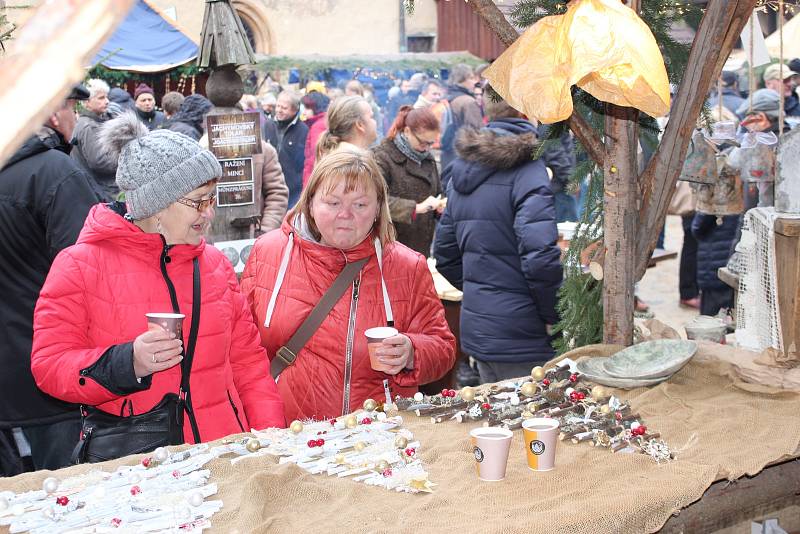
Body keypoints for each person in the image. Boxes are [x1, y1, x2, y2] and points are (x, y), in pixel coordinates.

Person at [30, 112, 285, 461]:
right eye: (199, 201)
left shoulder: (214, 265)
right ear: (157, 204)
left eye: (213, 199)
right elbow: (48, 365)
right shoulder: (79, 265)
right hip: (142, 466)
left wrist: (270, 439)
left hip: (229, 456)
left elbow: (249, 366)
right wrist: (127, 362)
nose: (209, 213)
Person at [240, 150, 456, 421]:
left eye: (360, 205)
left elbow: (443, 348)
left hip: (377, 434)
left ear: (378, 208)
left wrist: (412, 351)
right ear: (310, 202)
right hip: (287, 432)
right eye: (332, 203)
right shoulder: (268, 253)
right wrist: (264, 421)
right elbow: (241, 350)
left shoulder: (407, 266)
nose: (345, 215)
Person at [0, 84, 101, 474]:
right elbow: (90, 269)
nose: (76, 117)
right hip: (51, 373)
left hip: (19, 365)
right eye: (74, 106)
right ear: (53, 112)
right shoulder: (54, 172)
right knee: (66, 496)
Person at [434, 87, 562, 384]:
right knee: (527, 424)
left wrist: (484, 291)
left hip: (481, 326)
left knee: (497, 424)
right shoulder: (529, 169)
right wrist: (554, 316)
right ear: (526, 112)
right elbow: (540, 257)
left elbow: (445, 253)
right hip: (522, 333)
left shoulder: (464, 167)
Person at [204, 103, 289, 241]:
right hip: (214, 238)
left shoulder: (265, 151)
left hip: (254, 236)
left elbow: (277, 194)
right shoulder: (203, 151)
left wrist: (264, 231)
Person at [372, 105, 443, 256]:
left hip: (421, 245)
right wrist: (415, 208)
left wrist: (440, 206)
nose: (427, 149)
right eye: (423, 143)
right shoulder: (382, 157)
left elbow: (437, 193)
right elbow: (374, 202)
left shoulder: (428, 159)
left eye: (431, 143)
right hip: (391, 248)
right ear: (407, 131)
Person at [71, 78, 120, 201]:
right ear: (86, 102)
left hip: (101, 189)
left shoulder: (96, 121)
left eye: (106, 97)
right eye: (101, 98)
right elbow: (100, 162)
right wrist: (124, 157)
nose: (107, 101)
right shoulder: (89, 126)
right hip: (102, 191)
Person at [262, 90, 308, 208]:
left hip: (293, 192)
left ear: (295, 110)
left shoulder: (303, 131)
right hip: (270, 187)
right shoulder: (268, 125)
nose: (279, 110)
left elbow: (304, 163)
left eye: (284, 108)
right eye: (278, 106)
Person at [440, 64, 484, 172]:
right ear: (463, 79)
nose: (475, 82)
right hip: (463, 158)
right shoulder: (468, 102)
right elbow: (478, 132)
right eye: (471, 78)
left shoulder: (447, 96)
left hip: (447, 152)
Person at [315, 95, 378, 161]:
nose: (375, 122)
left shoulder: (341, 159)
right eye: (371, 117)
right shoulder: (352, 165)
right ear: (360, 125)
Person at [301, 91, 331, 186]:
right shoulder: (322, 122)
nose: (304, 112)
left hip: (314, 180)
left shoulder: (318, 127)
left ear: (316, 108)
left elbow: (315, 157)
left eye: (307, 108)